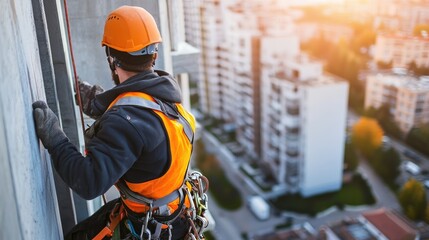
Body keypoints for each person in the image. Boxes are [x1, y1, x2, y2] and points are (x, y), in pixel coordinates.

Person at [32, 5, 205, 240]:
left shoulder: (125, 123)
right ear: (154, 54)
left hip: (151, 228)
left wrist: (55, 139)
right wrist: (89, 96)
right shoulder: (170, 101)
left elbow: (89, 182)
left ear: (112, 59)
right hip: (175, 217)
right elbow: (135, 112)